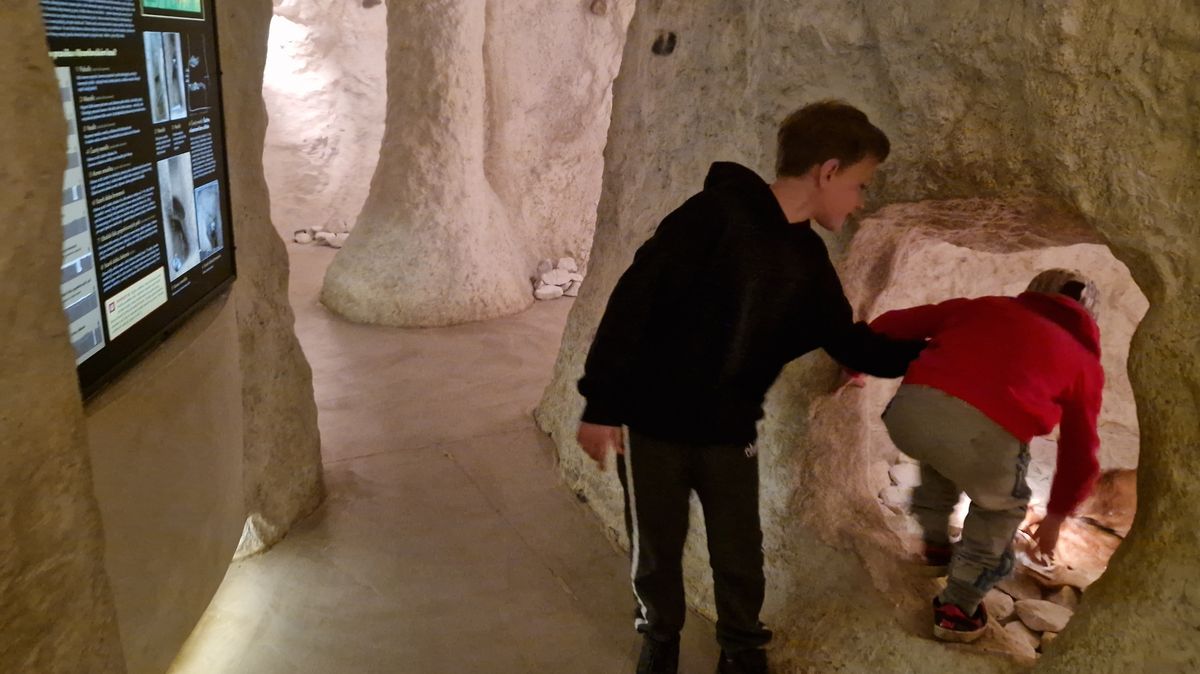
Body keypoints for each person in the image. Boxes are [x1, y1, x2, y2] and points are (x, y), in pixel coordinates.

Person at [575, 101, 925, 674]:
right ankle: (659, 636)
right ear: (828, 171)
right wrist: (601, 406)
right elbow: (632, 308)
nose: (861, 201)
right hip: (653, 423)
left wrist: (934, 352)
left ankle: (741, 648)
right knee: (656, 546)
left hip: (729, 428)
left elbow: (848, 341)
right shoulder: (711, 217)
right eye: (860, 185)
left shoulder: (807, 257)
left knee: (739, 550)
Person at [872, 269, 1103, 643]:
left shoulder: (983, 307)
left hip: (909, 416)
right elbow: (1080, 450)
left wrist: (852, 365)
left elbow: (894, 323)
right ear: (1089, 317)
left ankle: (934, 545)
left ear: (1032, 291)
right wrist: (1056, 516)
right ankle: (958, 608)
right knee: (1000, 510)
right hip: (987, 438)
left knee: (945, 449)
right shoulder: (1083, 361)